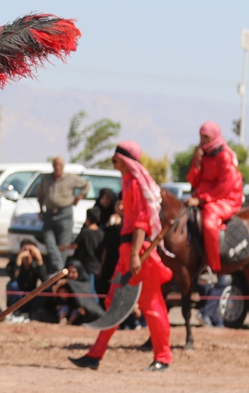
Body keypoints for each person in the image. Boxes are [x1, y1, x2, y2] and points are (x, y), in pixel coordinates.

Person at [70, 141, 173, 372]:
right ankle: (94, 356)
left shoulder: (136, 184)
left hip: (139, 252)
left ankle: (163, 357)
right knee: (115, 303)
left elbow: (141, 223)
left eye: (116, 158)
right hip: (129, 251)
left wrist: (136, 255)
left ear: (126, 161)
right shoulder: (127, 182)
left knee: (151, 304)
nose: (113, 161)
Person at [185, 121, 244, 274]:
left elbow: (226, 186)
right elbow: (193, 181)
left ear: (214, 138)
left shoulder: (225, 156)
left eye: (206, 137)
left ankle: (212, 267)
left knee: (209, 222)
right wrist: (196, 164)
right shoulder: (201, 155)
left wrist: (201, 200)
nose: (202, 140)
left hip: (226, 199)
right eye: (201, 136)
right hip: (205, 196)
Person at [37, 157, 90, 272]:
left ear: (63, 166)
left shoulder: (70, 178)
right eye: (55, 164)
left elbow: (86, 185)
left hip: (65, 214)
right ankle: (60, 269)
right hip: (49, 214)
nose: (57, 167)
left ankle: (57, 273)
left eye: (59, 164)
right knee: (49, 242)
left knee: (63, 246)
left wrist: (79, 197)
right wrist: (41, 209)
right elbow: (40, 195)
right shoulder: (46, 179)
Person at [59, 206, 105, 294]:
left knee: (90, 288)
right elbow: (104, 252)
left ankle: (94, 305)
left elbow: (75, 245)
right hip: (96, 265)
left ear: (87, 218)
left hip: (87, 265)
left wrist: (63, 247)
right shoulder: (101, 233)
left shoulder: (85, 232)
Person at [49, 259, 104, 326]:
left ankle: (70, 322)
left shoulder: (85, 283)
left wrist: (67, 282)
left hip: (79, 315)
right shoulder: (62, 283)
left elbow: (87, 303)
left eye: (73, 272)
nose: (70, 275)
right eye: (68, 272)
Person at [6, 240, 47, 321]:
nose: (27, 253)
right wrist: (19, 260)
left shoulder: (36, 264)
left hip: (31, 296)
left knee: (42, 289)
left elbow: (45, 280)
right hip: (18, 295)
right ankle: (16, 311)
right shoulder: (13, 263)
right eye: (25, 250)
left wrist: (39, 259)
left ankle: (32, 314)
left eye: (31, 251)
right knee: (12, 284)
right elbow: (14, 278)